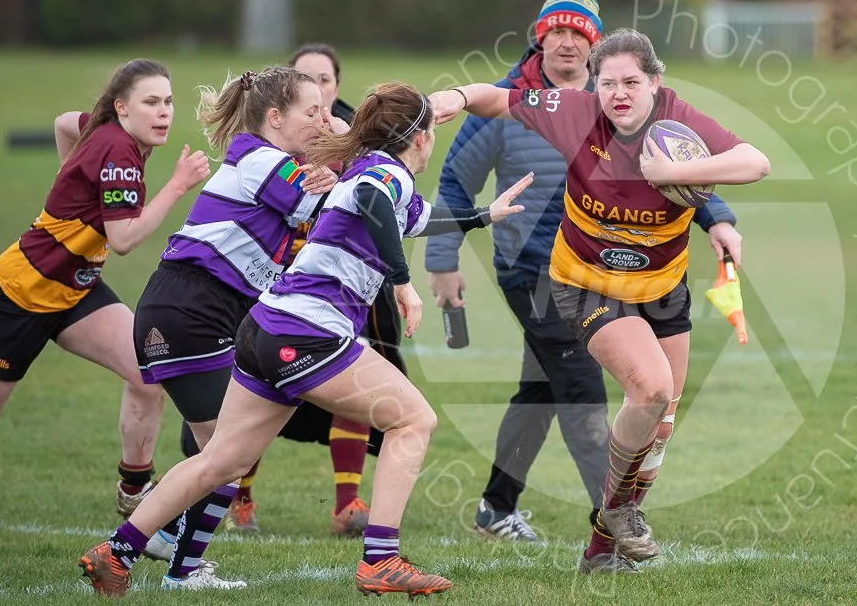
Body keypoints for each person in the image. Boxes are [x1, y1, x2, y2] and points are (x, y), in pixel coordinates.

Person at [79, 81, 532, 598]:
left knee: (222, 460)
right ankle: (381, 559)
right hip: (307, 330)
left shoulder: (372, 169)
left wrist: (483, 215)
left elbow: (413, 217)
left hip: (263, 326)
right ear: (422, 138)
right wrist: (403, 284)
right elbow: (374, 202)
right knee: (414, 419)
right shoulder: (381, 175)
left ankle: (115, 553)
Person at [430, 27, 770, 573]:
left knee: (659, 427)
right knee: (650, 387)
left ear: (655, 83)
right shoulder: (572, 111)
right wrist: (454, 98)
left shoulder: (678, 121)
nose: (619, 93)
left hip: (662, 288)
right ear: (594, 84)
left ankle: (600, 545)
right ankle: (610, 513)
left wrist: (684, 183)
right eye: (608, 82)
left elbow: (755, 162)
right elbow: (499, 99)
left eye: (632, 82)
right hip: (583, 282)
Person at [0, 58, 211, 550]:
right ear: (122, 107)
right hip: (21, 293)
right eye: (151, 102)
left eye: (168, 102)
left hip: (74, 289)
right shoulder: (119, 151)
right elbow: (123, 239)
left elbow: (61, 123)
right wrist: (178, 185)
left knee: (147, 373)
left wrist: (70, 177)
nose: (164, 113)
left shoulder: (107, 131)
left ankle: (134, 490)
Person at [118, 65, 336, 590]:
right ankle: (157, 552)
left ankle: (168, 536)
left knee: (223, 451)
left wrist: (331, 169)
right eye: (313, 112)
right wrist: (351, 169)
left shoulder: (280, 162)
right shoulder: (259, 157)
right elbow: (327, 209)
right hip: (188, 309)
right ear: (275, 117)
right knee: (228, 452)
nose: (323, 120)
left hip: (209, 311)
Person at [207, 43, 401, 538]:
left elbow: (385, 212)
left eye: (326, 83)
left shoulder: (349, 138)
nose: (319, 99)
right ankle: (237, 498)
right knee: (247, 407)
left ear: (335, 89)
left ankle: (346, 502)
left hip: (334, 281)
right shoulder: (270, 149)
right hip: (274, 285)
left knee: (362, 370)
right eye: (306, 82)